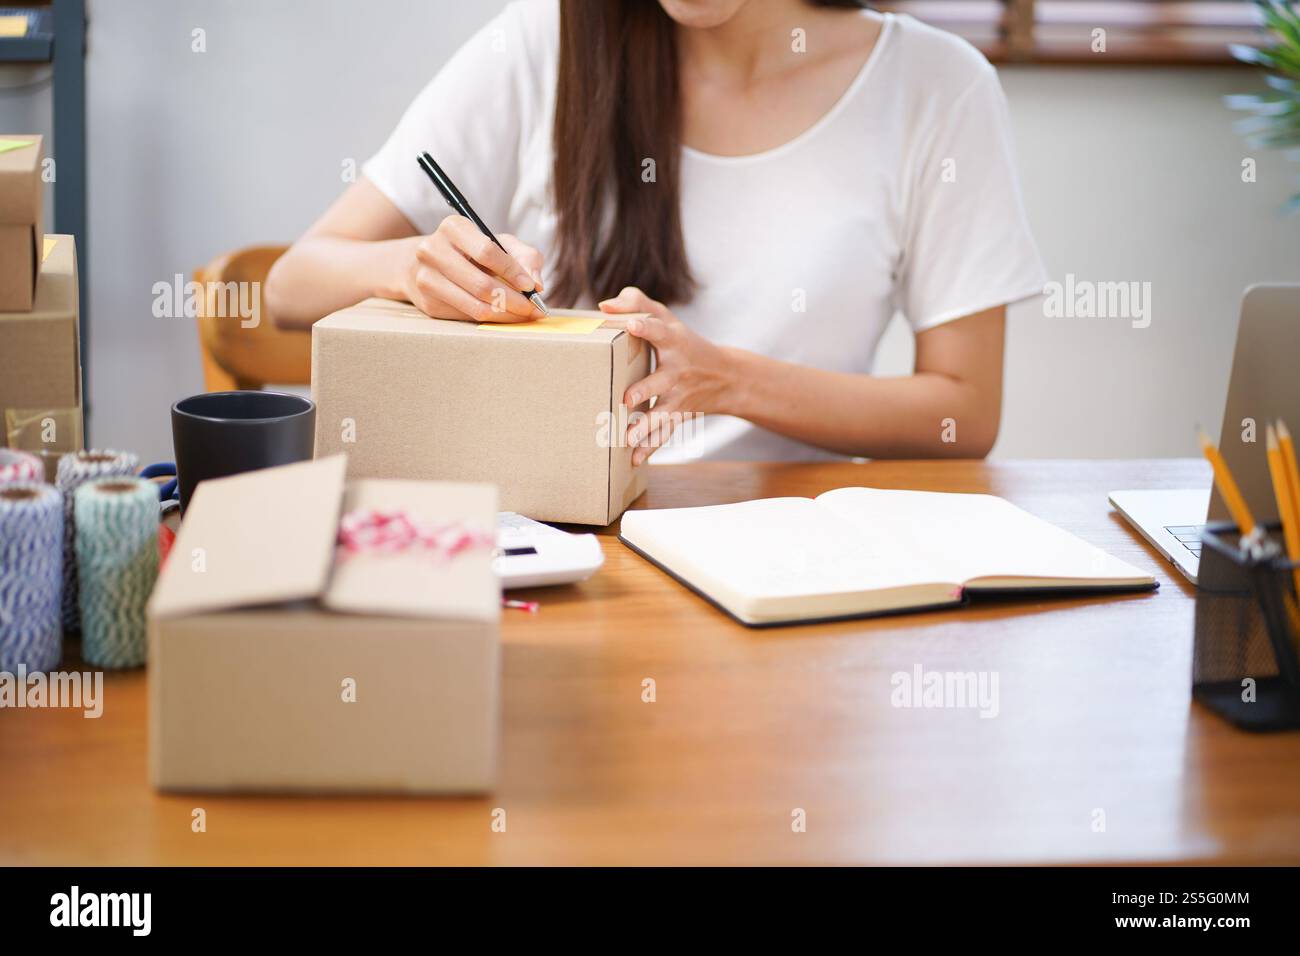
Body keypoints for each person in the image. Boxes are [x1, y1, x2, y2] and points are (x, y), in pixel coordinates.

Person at [266, 0, 1046, 464]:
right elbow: (293, 284)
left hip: (789, 563)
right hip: (567, 547)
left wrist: (732, 381)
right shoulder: (551, 39)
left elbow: (964, 411)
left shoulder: (937, 87)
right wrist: (414, 267)